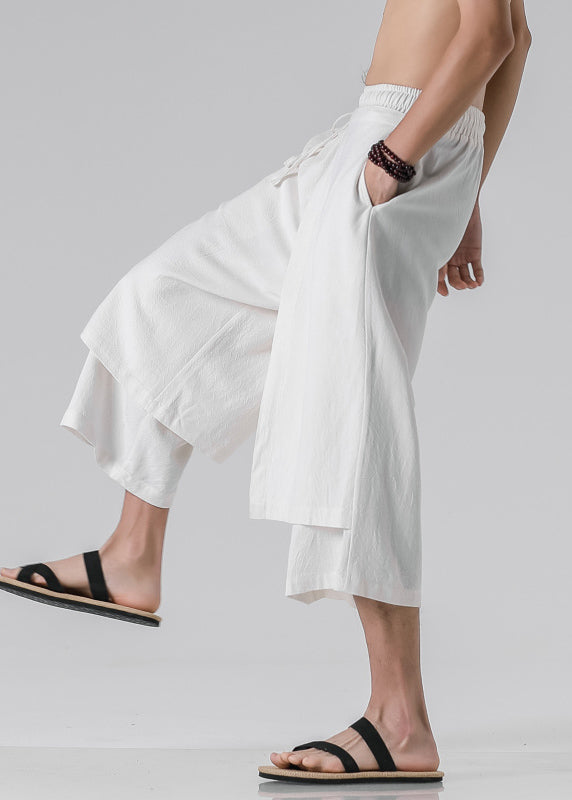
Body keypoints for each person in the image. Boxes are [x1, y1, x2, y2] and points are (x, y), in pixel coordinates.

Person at [0, 0, 531, 785]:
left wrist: (399, 159)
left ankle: (401, 718)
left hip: (398, 149)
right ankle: (132, 556)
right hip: (385, 140)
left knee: (353, 410)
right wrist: (465, 188)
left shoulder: (397, 156)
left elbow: (492, 36)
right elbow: (520, 38)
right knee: (168, 295)